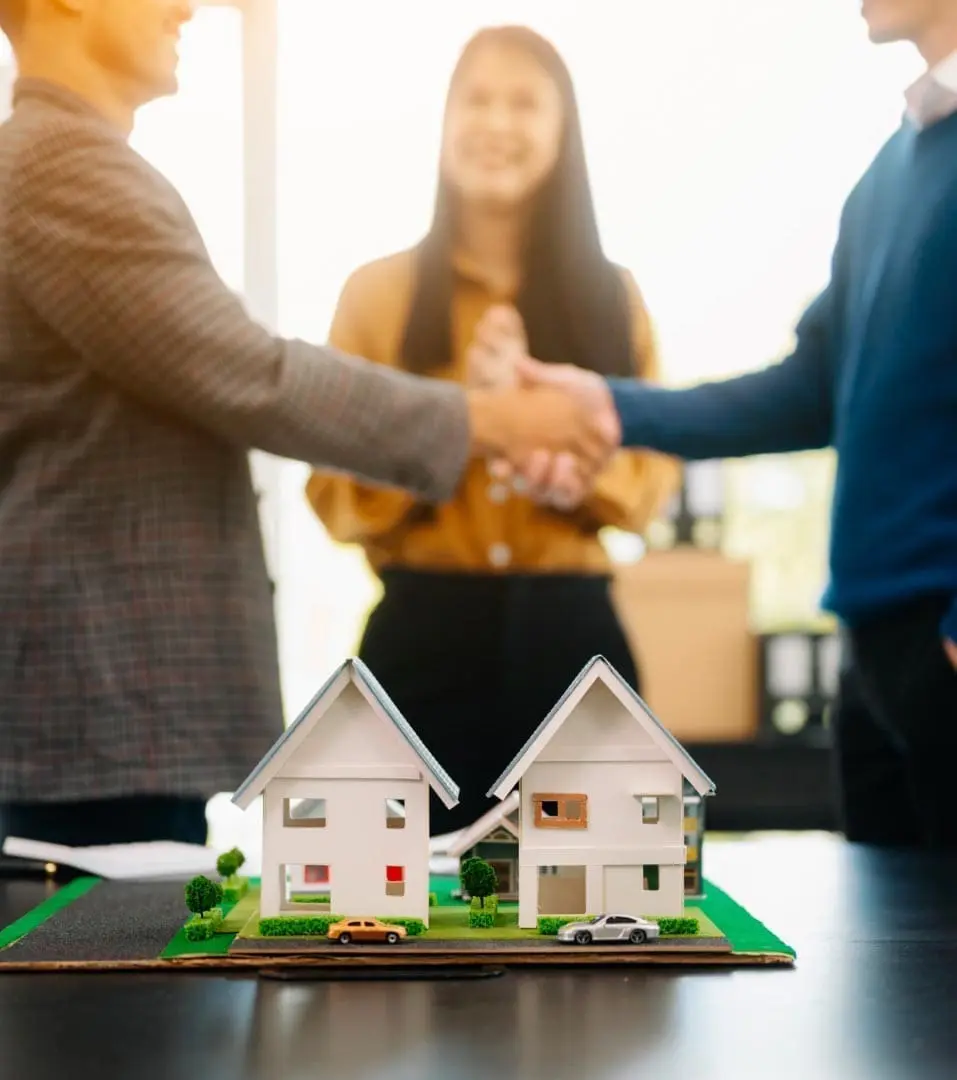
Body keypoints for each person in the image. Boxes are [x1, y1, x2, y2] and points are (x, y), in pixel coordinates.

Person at [0, 0, 620, 848]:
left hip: (115, 703)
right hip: (103, 695)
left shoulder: (79, 164)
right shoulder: (63, 168)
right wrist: (496, 421)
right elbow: (251, 375)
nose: (185, 6)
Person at [516, 0, 957, 849]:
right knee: (903, 967)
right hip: (874, 658)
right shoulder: (887, 175)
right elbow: (811, 390)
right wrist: (614, 407)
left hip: (939, 636)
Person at [305, 26, 677, 832]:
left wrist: (585, 477)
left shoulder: (614, 298)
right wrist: (463, 421)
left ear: (561, 130)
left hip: (573, 635)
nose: (495, 122)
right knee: (400, 911)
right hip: (421, 633)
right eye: (475, 99)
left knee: (604, 904)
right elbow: (332, 492)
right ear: (442, 121)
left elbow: (651, 484)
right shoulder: (375, 295)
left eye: (523, 102)